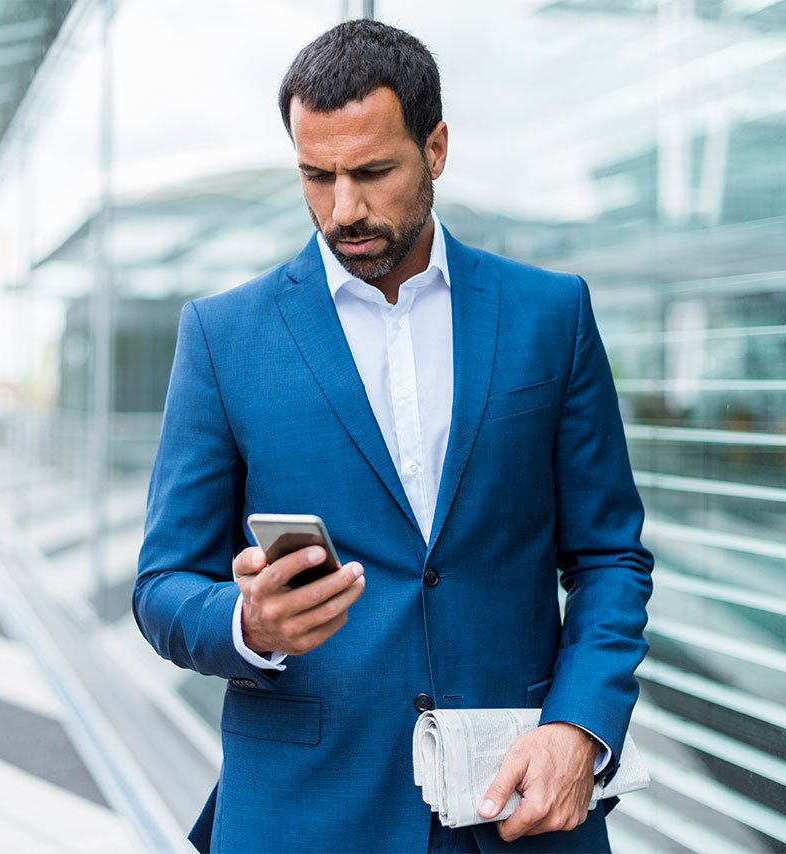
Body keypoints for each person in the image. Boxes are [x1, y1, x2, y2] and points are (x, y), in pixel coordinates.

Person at [133, 19, 653, 853]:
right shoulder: (222, 336)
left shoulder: (549, 316)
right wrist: (249, 625)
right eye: (317, 176)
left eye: (373, 172)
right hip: (307, 812)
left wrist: (579, 730)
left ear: (436, 147)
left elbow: (609, 557)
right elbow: (161, 585)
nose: (345, 209)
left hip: (515, 808)